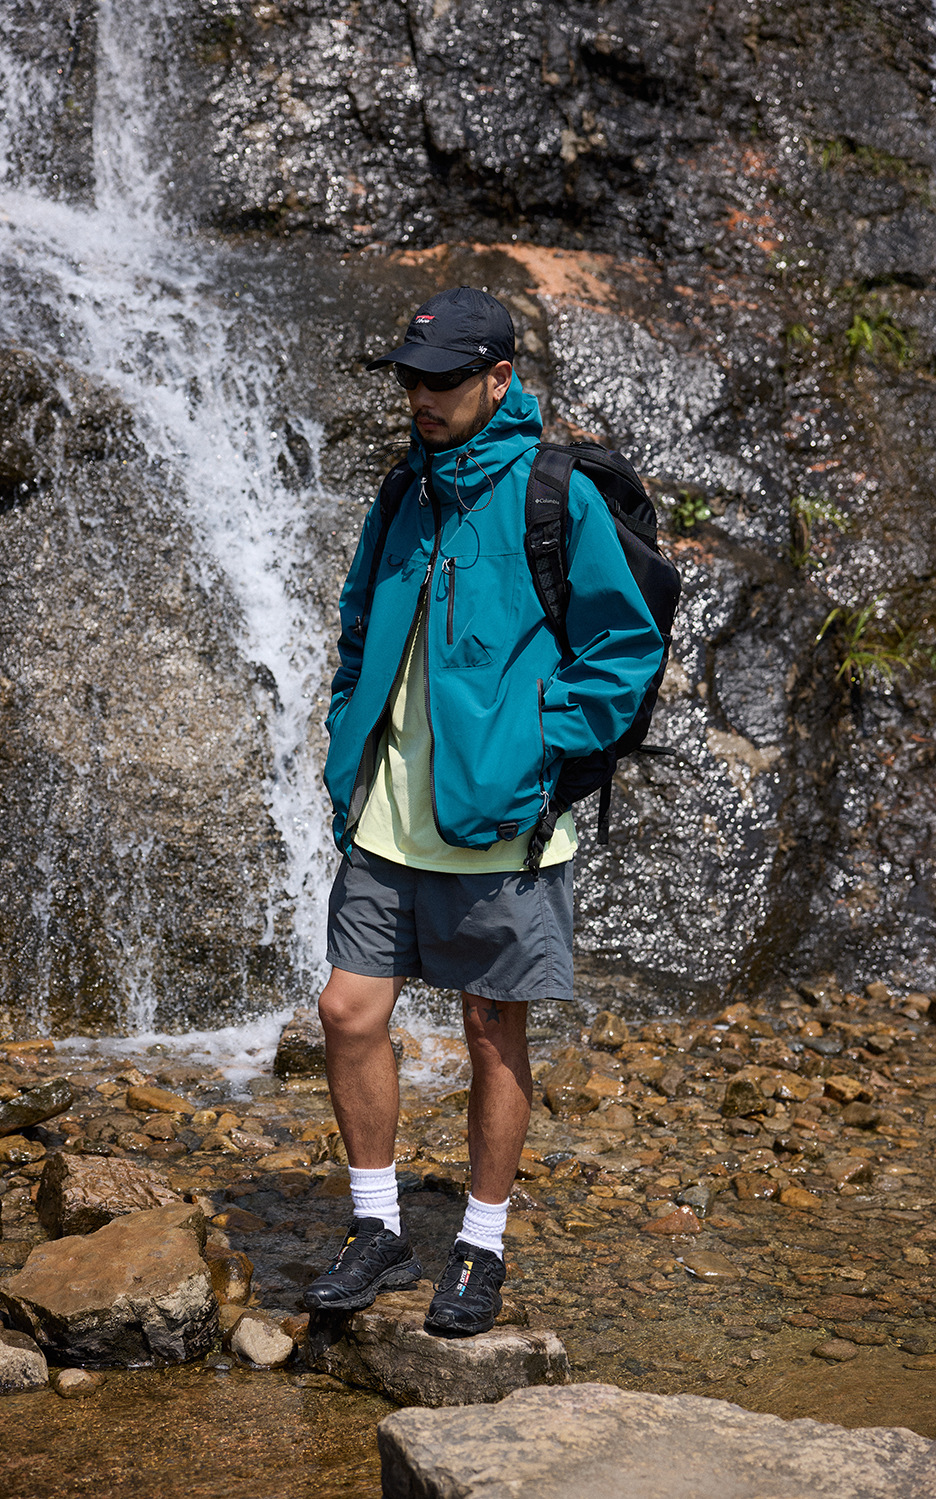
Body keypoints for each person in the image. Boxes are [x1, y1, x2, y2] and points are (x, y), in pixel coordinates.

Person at [303, 285, 664, 1336]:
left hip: (502, 812)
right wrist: (348, 727)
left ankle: (481, 1242)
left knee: (491, 1029)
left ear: (498, 378)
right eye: (411, 380)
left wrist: (535, 741)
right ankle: (377, 1224)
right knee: (347, 1010)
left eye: (443, 380)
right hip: (389, 807)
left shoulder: (556, 495)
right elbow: (361, 621)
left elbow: (626, 647)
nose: (421, 398)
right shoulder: (404, 490)